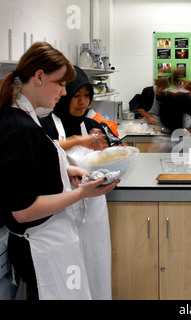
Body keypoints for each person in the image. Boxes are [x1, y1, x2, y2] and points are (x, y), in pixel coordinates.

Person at [0, 42, 120, 300]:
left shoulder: (29, 118)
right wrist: (81, 194)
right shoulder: (20, 128)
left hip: (51, 242)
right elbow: (22, 211)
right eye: (61, 84)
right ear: (39, 77)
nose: (65, 93)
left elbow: (30, 169)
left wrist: (66, 171)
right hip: (39, 246)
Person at [39, 65, 113, 299]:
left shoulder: (92, 125)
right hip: (62, 214)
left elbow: (110, 151)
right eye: (76, 96)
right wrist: (78, 141)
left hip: (94, 213)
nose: (83, 102)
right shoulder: (47, 124)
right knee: (68, 281)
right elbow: (45, 151)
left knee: (96, 267)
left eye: (87, 96)